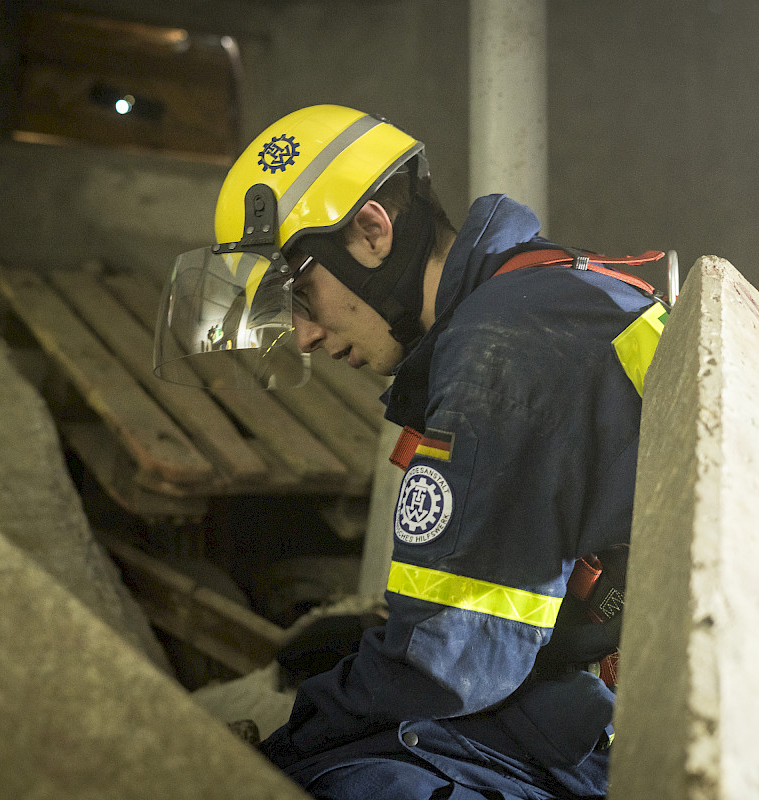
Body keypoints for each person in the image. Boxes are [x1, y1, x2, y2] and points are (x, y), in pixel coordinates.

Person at [154, 105, 669, 800]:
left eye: (301, 296)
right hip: (617, 670)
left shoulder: (500, 354)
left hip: (622, 733)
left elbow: (453, 662)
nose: (302, 336)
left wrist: (283, 749)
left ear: (371, 232)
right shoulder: (541, 289)